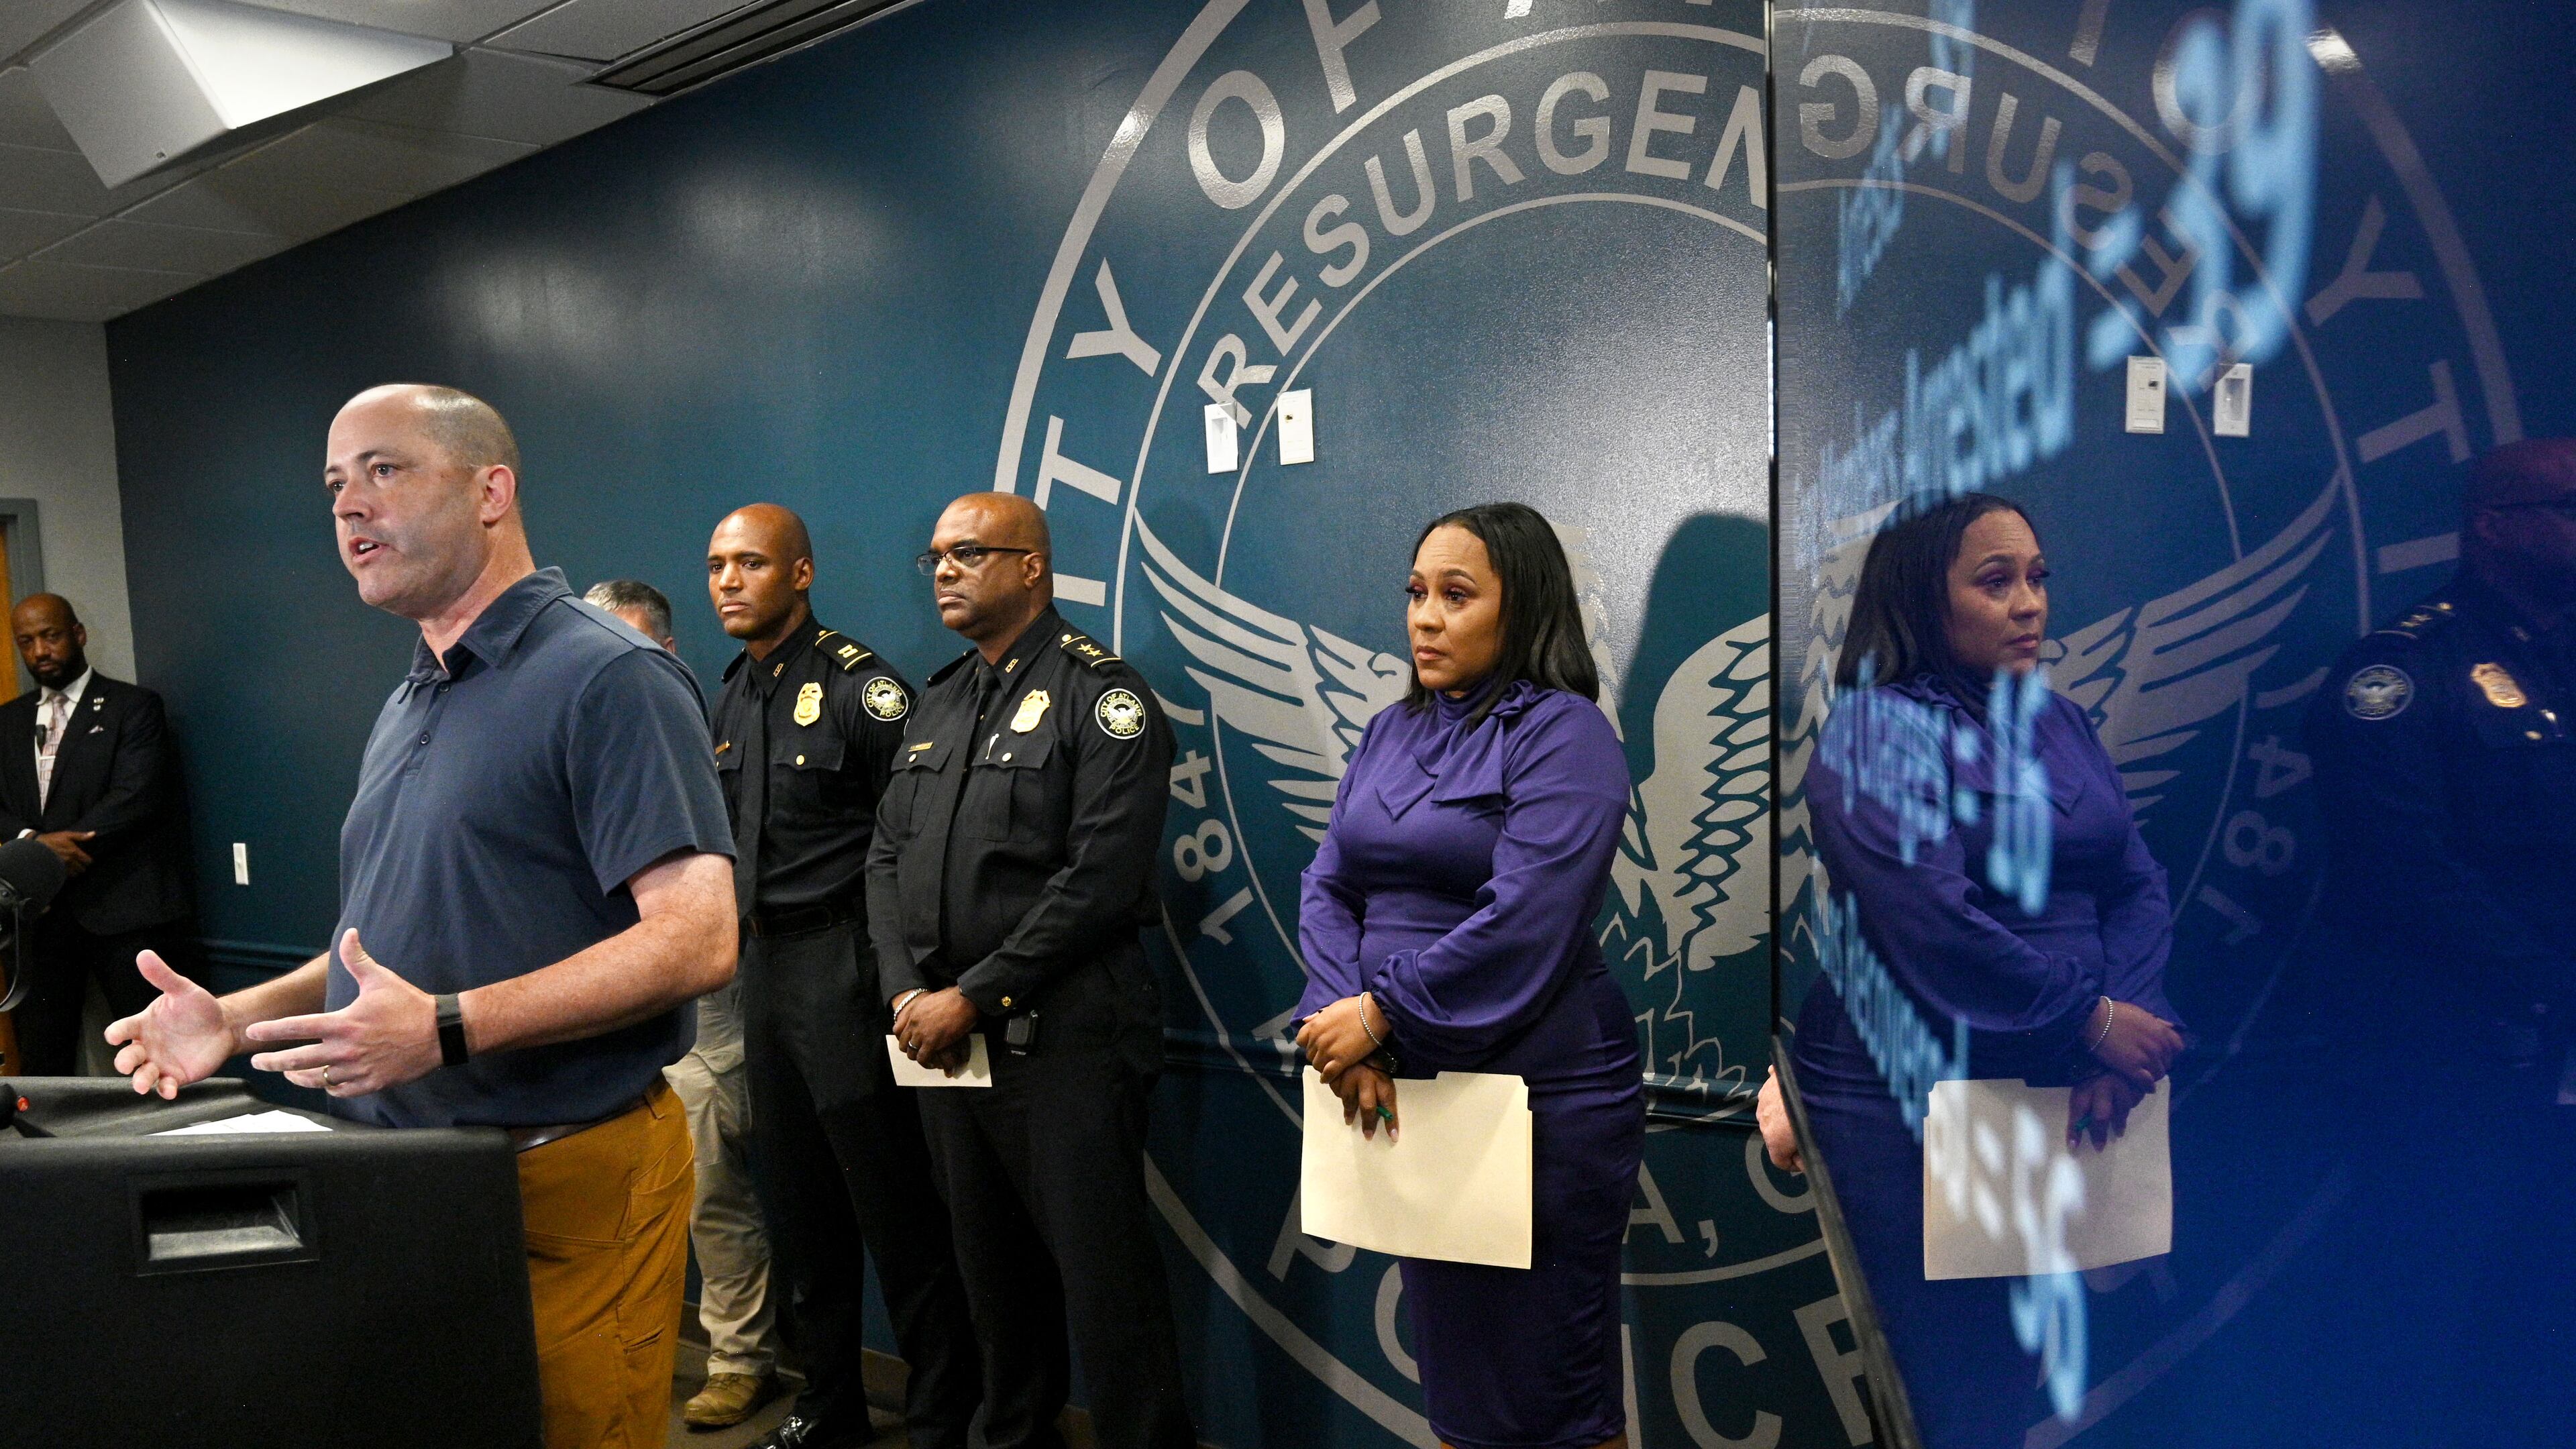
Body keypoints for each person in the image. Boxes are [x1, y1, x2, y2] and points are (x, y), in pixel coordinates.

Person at [107, 384, 737, 1449]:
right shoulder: (413, 696)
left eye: (385, 471)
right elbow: (382, 950)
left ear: (492, 490)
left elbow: (698, 938)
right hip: (409, 1188)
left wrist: (448, 1027)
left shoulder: (610, 676)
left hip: (561, 1177)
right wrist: (237, 1020)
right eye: (335, 485)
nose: (350, 508)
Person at [1756, 491, 2184, 1449]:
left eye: (2037, 578)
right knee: (1947, 1390)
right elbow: (1932, 927)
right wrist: (2091, 1023)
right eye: (1995, 582)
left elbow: (2136, 883)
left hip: (2067, 1078)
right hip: (1912, 1097)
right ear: (1921, 601)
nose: (2029, 603)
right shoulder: (1877, 732)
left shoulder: (2063, 721)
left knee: (2012, 1380)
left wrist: (2128, 1031)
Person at [1293, 502, 1645, 1449]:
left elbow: (1528, 919)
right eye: (1416, 594)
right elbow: (1327, 884)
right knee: (1460, 1388)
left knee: (1556, 1401)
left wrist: (1382, 1017)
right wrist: (1342, 1022)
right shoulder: (1388, 730)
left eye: (1457, 595)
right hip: (1409, 1081)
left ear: (1520, 608)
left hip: (1544, 1099)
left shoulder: (1565, 734)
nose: (1425, 618)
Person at [869, 492, 1195, 1449]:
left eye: (967, 553)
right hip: (945, 1045)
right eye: (933, 555)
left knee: (1108, 1293)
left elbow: (1099, 880)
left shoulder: (1106, 698)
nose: (944, 571)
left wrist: (972, 996)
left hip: (1066, 1044)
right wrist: (902, 993)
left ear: (1031, 568)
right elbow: (885, 857)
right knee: (992, 1284)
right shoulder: (941, 699)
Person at [2294, 439, 2576, 1442]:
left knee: (2542, 1334)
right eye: (2569, 506)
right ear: (2494, 525)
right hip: (2449, 1057)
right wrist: (2554, 985)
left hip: (2554, 1068)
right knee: (2415, 1325)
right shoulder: (2404, 667)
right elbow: (2399, 871)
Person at [704, 505, 981, 1449]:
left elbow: (908, 842)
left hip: (849, 965)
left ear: (802, 574)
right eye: (717, 567)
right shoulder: (734, 693)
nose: (730, 582)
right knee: (797, 1206)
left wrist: (893, 972)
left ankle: (945, 1411)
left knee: (893, 1206)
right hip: (763, 969)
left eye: (751, 564)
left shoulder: (866, 692)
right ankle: (829, 1401)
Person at [586, 578, 786, 1433]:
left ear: (665, 653)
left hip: (710, 1006)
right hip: (603, 1001)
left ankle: (741, 1359)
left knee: (712, 1190)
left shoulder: (704, 738)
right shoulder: (585, 736)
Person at [0, 593, 197, 1075]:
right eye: (27, 642)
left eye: (51, 635)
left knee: (154, 1053)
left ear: (78, 634)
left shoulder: (135, 707)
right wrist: (34, 848)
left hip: (125, 909)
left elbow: (137, 795)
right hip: (37, 920)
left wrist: (60, 848)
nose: (40, 651)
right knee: (44, 1059)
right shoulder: (6, 721)